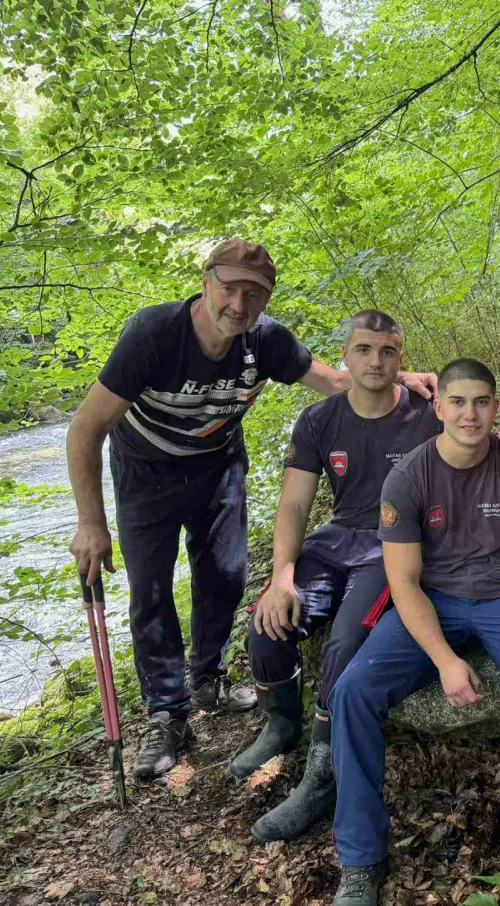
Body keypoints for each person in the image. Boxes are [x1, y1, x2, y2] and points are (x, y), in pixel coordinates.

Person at [66, 240, 437, 781]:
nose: (239, 304)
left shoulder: (267, 343)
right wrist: (90, 522)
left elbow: (340, 381)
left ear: (266, 299)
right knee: (150, 588)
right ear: (206, 281)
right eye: (230, 288)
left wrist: (402, 375)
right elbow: (85, 427)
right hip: (146, 473)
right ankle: (169, 715)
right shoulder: (154, 334)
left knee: (225, 576)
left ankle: (208, 679)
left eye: (254, 294)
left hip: (217, 468)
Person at [232, 311, 500, 842]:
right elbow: (295, 504)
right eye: (364, 349)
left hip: (395, 544)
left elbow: (473, 431)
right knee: (265, 624)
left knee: (348, 638)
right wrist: (282, 576)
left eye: (388, 351)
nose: (375, 360)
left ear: (401, 357)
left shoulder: (425, 410)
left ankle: (323, 773)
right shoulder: (319, 420)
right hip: (337, 537)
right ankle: (281, 725)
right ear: (344, 356)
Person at [325, 359, 500, 906]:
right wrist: (443, 659)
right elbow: (404, 581)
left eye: (482, 402)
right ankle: (360, 857)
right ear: (437, 408)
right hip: (434, 602)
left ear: (496, 407)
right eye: (458, 402)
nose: (471, 413)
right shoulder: (410, 477)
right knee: (351, 691)